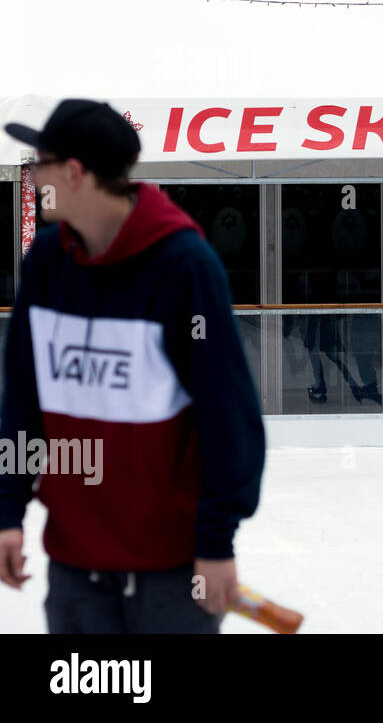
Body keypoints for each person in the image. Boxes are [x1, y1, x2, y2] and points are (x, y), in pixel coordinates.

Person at [0, 99, 265, 632]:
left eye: (41, 161)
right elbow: (23, 401)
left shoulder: (184, 266)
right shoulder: (48, 264)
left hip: (172, 573)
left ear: (74, 173)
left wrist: (217, 543)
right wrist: (7, 511)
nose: (33, 174)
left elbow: (228, 417)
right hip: (77, 570)